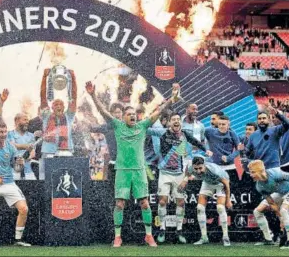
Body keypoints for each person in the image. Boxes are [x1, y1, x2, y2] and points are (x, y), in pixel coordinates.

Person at [86, 81, 181, 248]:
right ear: (123, 117)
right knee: (119, 204)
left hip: (139, 170)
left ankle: (149, 235)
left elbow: (159, 112)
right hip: (122, 170)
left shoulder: (143, 126)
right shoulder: (117, 126)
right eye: (128, 114)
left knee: (144, 203)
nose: (132, 116)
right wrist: (93, 95)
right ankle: (118, 237)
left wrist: (172, 100)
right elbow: (103, 111)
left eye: (133, 114)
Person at [148, 112, 213, 244]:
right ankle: (162, 228)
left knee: (181, 203)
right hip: (164, 173)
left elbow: (195, 141)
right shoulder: (162, 132)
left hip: (179, 174)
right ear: (170, 122)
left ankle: (179, 230)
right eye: (174, 119)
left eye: (178, 119)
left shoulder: (184, 134)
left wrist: (205, 149)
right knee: (162, 202)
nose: (176, 121)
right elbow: (147, 129)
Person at [178, 156, 232, 246]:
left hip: (220, 183)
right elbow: (187, 174)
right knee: (199, 208)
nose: (198, 171)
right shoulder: (190, 167)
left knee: (220, 208)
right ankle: (204, 237)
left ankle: (225, 237)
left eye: (200, 168)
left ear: (205, 165)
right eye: (196, 169)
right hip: (207, 182)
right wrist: (185, 180)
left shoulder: (215, 171)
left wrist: (228, 200)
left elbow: (226, 184)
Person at [39, 68, 77, 179]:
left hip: (66, 152)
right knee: (45, 181)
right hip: (48, 152)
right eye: (56, 104)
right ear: (52, 107)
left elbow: (74, 98)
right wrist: (44, 77)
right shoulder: (46, 115)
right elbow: (42, 98)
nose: (59, 106)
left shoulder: (69, 116)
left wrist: (73, 78)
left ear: (64, 107)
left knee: (66, 179)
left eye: (61, 104)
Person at [248, 160, 289, 250]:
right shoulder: (259, 186)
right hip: (280, 193)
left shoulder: (275, 173)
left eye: (253, 172)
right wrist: (281, 219)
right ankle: (268, 239)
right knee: (257, 211)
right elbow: (272, 203)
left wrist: (282, 215)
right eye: (250, 172)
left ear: (261, 171)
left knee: (284, 210)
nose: (251, 175)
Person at [89, 103, 124, 182]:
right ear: (111, 114)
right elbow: (93, 128)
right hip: (113, 162)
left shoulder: (126, 125)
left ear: (122, 113)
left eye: (119, 112)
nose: (118, 114)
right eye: (115, 112)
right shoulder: (108, 126)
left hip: (125, 163)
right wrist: (88, 125)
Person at [8, 113, 36, 180]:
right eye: (25, 120)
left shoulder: (31, 136)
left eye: (27, 120)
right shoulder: (10, 134)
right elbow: (11, 146)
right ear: (17, 121)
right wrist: (26, 146)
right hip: (13, 171)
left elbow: (33, 152)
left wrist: (26, 158)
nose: (27, 122)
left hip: (28, 171)